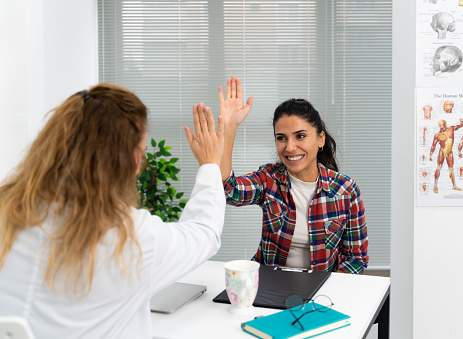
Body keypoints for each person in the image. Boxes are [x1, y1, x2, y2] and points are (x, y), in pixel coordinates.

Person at [0, 83, 225, 337]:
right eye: (140, 153)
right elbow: (204, 233)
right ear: (126, 161)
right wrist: (209, 163)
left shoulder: (7, 211)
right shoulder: (129, 238)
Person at [218, 76, 368, 274]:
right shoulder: (269, 179)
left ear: (320, 139)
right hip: (269, 284)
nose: (289, 147)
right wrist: (229, 129)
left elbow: (355, 259)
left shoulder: (345, 190)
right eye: (281, 138)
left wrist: (323, 292)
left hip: (321, 289)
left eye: (301, 136)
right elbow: (228, 191)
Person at [429, 118, 463, 193]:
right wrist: (430, 155)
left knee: (451, 169)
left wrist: (461, 122)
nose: (443, 126)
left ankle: (454, 185)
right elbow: (433, 146)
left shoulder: (451, 129)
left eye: (444, 124)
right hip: (442, 151)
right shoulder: (437, 135)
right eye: (441, 125)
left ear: (446, 124)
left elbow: (459, 126)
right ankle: (435, 185)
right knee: (438, 167)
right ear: (439, 126)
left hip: (449, 152)